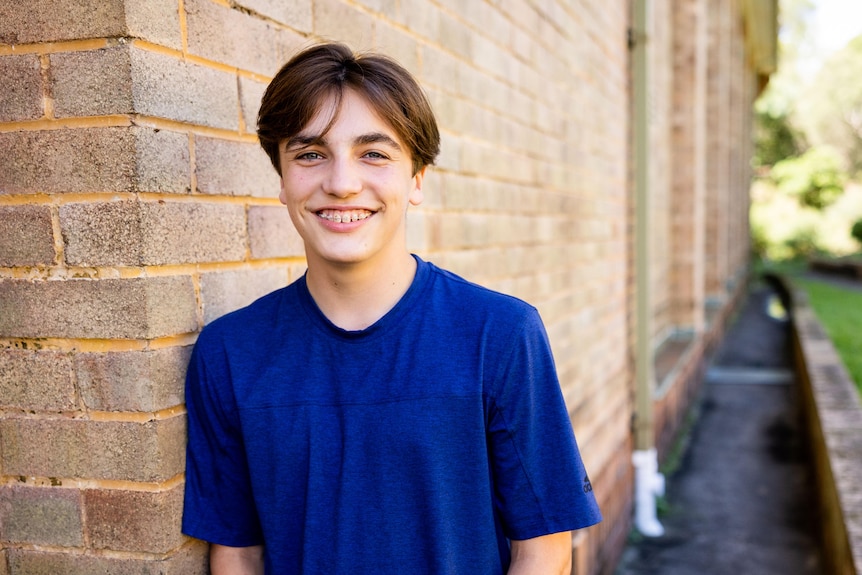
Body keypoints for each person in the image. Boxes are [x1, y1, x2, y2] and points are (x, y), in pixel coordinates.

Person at [182, 42, 601, 575]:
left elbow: (542, 547)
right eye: (310, 154)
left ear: (417, 179)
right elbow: (237, 552)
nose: (341, 183)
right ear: (282, 181)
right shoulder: (231, 353)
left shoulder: (498, 334)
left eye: (373, 153)